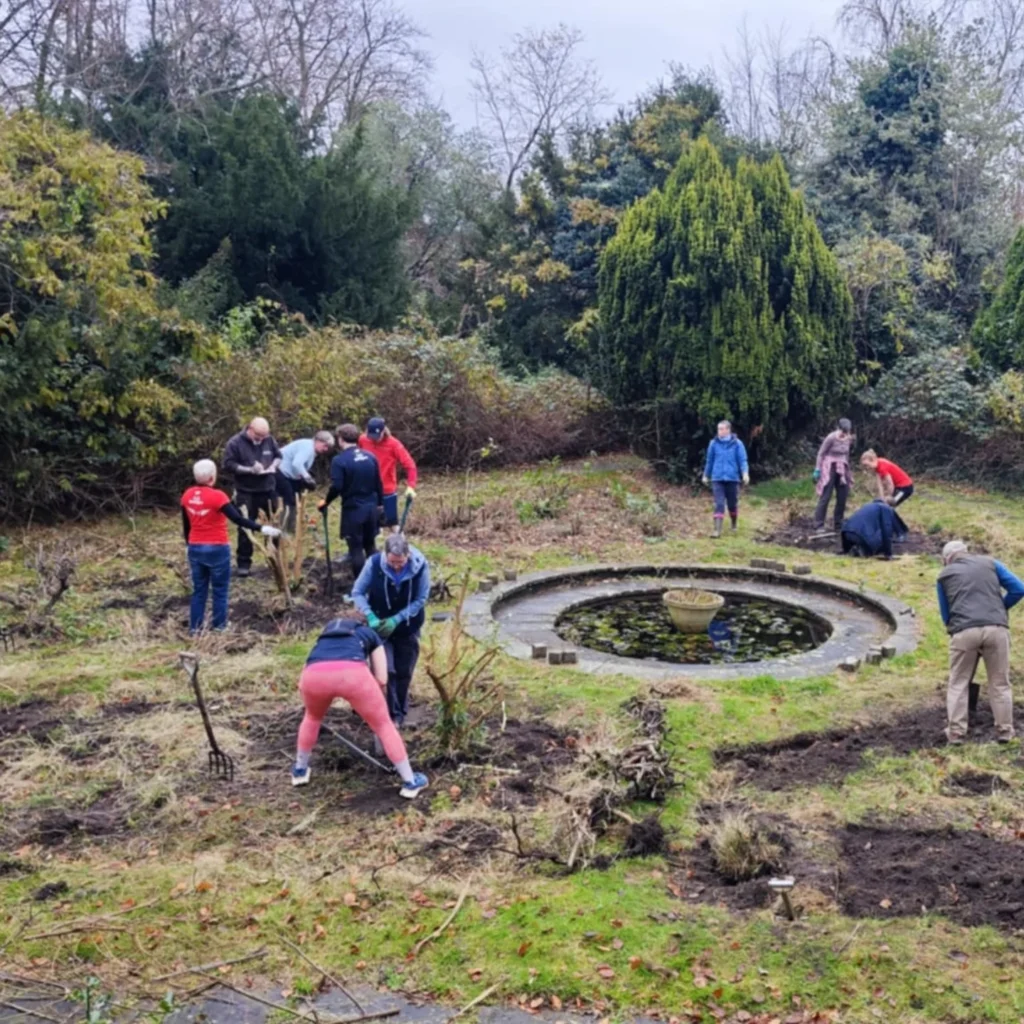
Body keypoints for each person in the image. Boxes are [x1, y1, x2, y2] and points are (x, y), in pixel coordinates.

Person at [291, 613, 429, 798]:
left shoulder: (324, 637)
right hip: (353, 675)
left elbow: (308, 667)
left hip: (313, 676)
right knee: (383, 725)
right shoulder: (368, 633)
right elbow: (381, 678)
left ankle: (300, 771)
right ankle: (410, 782)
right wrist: (364, 695)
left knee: (312, 718)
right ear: (362, 622)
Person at [937, 540, 1023, 745]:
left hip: (964, 631)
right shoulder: (991, 563)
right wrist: (1000, 609)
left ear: (946, 559)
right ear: (966, 552)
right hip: (996, 629)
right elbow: (1019, 589)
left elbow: (945, 613)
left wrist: (956, 629)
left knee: (958, 682)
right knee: (1000, 682)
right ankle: (1005, 731)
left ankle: (956, 733)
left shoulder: (944, 575)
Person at [181, 459, 281, 632]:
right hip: (217, 548)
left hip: (195, 547)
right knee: (220, 589)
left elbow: (186, 524)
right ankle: (219, 626)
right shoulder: (218, 496)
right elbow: (238, 519)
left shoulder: (187, 495)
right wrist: (262, 528)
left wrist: (188, 544)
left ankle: (194, 628)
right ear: (213, 477)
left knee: (199, 590)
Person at [352, 533, 430, 729]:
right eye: (393, 562)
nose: (397, 566)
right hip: (380, 628)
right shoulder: (374, 564)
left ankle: (401, 709)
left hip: (408, 627)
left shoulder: (420, 567)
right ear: (385, 555)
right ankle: (391, 716)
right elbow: (358, 592)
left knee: (404, 670)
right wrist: (369, 615)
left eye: (401, 562)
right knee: (387, 671)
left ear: (408, 555)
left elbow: (421, 599)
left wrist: (398, 618)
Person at [319, 424, 384, 579]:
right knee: (370, 546)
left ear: (340, 440)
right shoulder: (370, 456)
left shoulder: (339, 460)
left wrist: (326, 502)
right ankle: (378, 581)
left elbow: (337, 486)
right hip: (372, 508)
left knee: (355, 549)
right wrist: (380, 504)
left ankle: (360, 588)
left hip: (353, 510)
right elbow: (379, 483)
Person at [222, 417, 283, 577]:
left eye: (264, 437)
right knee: (246, 526)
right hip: (246, 491)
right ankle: (244, 564)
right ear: (249, 429)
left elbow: (278, 456)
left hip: (268, 488)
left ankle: (274, 559)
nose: (261, 440)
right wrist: (249, 470)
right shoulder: (234, 443)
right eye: (258, 437)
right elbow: (228, 465)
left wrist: (273, 466)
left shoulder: (269, 439)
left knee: (274, 523)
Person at [359, 417, 418, 529]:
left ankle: (400, 544)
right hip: (367, 490)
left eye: (377, 436)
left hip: (386, 490)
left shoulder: (394, 445)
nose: (374, 439)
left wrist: (411, 486)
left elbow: (410, 465)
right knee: (370, 526)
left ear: (383, 431)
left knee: (392, 524)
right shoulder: (362, 440)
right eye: (371, 436)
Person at [277, 431, 335, 532]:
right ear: (317, 441)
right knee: (288, 500)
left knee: (296, 499)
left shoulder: (311, 449)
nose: (325, 449)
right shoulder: (308, 447)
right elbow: (297, 464)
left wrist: (303, 477)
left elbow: (300, 466)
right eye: (324, 446)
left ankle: (291, 526)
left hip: (292, 476)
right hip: (281, 472)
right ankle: (283, 528)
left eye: (328, 447)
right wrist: (307, 478)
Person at [702, 420, 750, 537]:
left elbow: (742, 460)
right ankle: (717, 530)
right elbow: (709, 461)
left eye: (722, 429)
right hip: (717, 478)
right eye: (718, 429)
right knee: (719, 503)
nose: (719, 431)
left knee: (732, 504)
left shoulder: (737, 444)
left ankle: (733, 523)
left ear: (728, 430)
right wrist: (705, 475)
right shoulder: (713, 444)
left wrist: (745, 473)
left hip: (732, 478)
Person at [813, 418, 854, 534]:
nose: (844, 435)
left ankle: (838, 525)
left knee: (843, 496)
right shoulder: (831, 437)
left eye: (846, 432)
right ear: (839, 429)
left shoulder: (849, 439)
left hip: (842, 466)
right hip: (829, 466)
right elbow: (821, 453)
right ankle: (819, 524)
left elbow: (846, 454)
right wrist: (817, 469)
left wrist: (847, 471)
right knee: (826, 496)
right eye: (843, 431)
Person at [840, 499, 908, 559]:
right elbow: (887, 530)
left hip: (846, 533)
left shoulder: (868, 505)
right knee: (882, 536)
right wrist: (888, 553)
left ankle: (855, 549)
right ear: (891, 507)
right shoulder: (886, 508)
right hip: (860, 536)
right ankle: (863, 551)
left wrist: (845, 549)